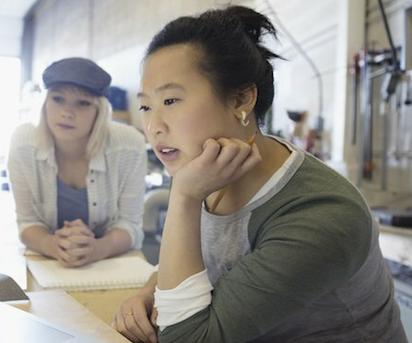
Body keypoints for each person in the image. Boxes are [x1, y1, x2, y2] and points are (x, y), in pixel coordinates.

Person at [112, 6, 405, 342]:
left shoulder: (321, 214)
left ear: (241, 98)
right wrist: (150, 291)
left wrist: (184, 196)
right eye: (147, 106)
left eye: (172, 100)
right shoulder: (211, 172)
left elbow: (187, 339)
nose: (153, 126)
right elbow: (203, 263)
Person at [8, 57, 146, 268]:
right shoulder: (23, 143)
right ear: (45, 103)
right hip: (49, 265)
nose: (67, 113)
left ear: (99, 111)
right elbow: (27, 222)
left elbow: (130, 224)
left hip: (109, 264)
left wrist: (98, 249)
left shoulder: (129, 144)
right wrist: (51, 244)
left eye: (83, 103)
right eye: (58, 99)